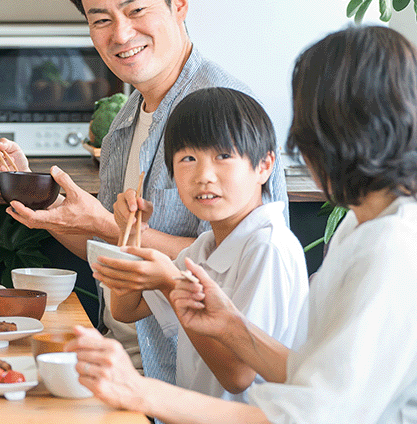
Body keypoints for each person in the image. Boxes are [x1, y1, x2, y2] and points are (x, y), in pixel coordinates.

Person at [70, 25, 417, 422]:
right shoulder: (367, 226)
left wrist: (138, 391)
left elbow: (305, 417)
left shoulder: (400, 251)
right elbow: (313, 379)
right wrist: (230, 327)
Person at [0, 0, 288, 385]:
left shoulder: (224, 110)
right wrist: (38, 199)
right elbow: (113, 258)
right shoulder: (124, 119)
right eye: (100, 19)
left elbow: (238, 263)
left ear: (178, 2)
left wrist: (107, 226)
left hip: (189, 382)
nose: (120, 34)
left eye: (136, 10)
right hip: (117, 358)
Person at [97, 87, 307, 402]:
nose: (204, 175)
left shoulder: (267, 246)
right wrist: (132, 234)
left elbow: (238, 376)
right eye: (188, 158)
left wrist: (171, 284)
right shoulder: (205, 246)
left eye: (223, 156)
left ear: (264, 165)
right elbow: (126, 310)